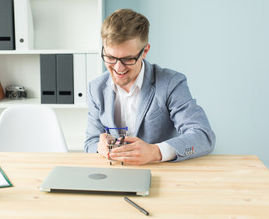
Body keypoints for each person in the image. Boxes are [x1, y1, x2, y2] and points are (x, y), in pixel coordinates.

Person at [84, 9, 215, 164]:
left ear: (145, 51)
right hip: (114, 174)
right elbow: (90, 143)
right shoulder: (96, 88)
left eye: (128, 59)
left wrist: (155, 152)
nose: (118, 68)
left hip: (163, 174)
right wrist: (100, 147)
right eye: (111, 57)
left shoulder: (171, 83)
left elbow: (203, 136)